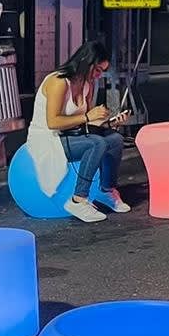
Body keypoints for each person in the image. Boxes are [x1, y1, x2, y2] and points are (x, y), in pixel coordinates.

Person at [28, 40, 131, 224]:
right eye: (98, 70)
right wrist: (88, 117)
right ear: (87, 62)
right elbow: (53, 122)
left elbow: (88, 122)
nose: (99, 76)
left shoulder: (87, 84)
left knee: (115, 139)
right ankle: (78, 199)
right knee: (96, 143)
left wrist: (111, 122)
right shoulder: (58, 81)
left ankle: (106, 190)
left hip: (73, 134)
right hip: (48, 138)